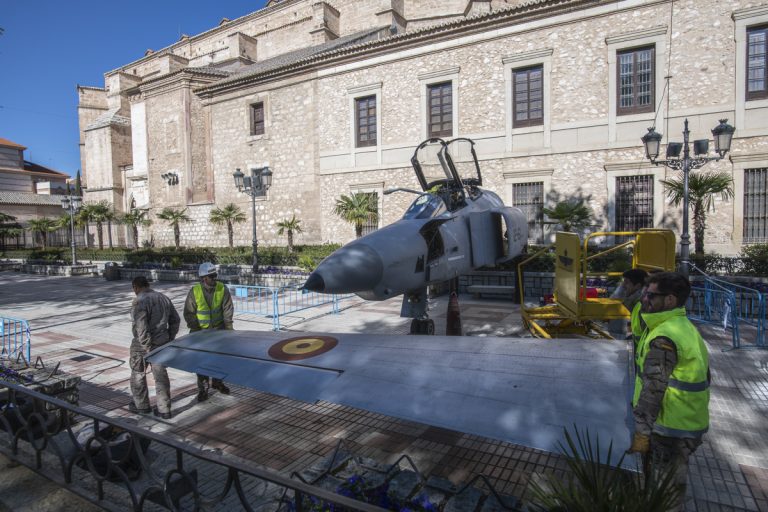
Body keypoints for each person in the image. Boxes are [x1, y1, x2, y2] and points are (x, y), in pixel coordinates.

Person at [628, 272, 710, 511]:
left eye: (651, 295)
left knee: (665, 493)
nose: (644, 299)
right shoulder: (682, 327)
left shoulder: (664, 336)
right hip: (686, 423)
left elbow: (653, 389)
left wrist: (642, 433)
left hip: (669, 430)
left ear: (670, 300)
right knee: (671, 485)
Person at [129, 276, 180, 419]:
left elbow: (141, 326)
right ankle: (164, 409)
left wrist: (146, 345)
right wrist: (170, 337)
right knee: (160, 375)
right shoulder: (163, 298)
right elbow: (175, 320)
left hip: (142, 344)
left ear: (135, 287)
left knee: (138, 372)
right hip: (162, 342)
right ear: (148, 284)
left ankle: (141, 406)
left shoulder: (140, 301)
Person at [183, 262, 234, 402]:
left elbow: (228, 310)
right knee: (202, 362)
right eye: (212, 276)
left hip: (219, 331)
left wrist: (229, 331)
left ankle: (218, 382)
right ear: (204, 278)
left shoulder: (222, 289)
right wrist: (197, 331)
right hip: (201, 334)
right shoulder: (195, 291)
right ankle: (203, 389)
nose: (214, 279)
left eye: (215, 275)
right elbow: (189, 313)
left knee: (219, 359)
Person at [608, 268, 647, 338]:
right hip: (620, 336)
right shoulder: (630, 296)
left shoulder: (642, 302)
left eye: (626, 282)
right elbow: (612, 302)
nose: (623, 285)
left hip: (628, 339)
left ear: (638, 286)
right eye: (623, 282)